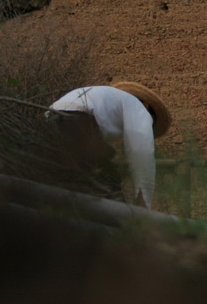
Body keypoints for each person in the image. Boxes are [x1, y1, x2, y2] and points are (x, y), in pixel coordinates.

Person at [46, 82, 171, 210]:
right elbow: (141, 154)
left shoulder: (114, 99)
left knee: (72, 179)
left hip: (51, 117)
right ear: (147, 105)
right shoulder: (139, 107)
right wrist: (143, 203)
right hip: (77, 120)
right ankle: (121, 225)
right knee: (108, 181)